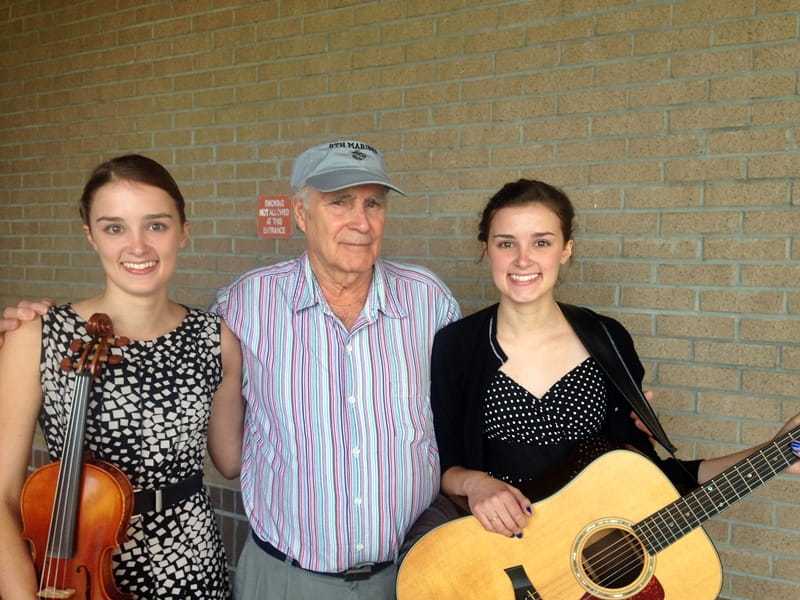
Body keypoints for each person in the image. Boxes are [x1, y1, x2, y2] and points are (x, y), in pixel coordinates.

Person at [430, 178, 800, 539]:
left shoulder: (607, 339)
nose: (523, 259)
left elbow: (647, 476)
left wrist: (775, 450)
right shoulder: (456, 345)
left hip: (593, 555)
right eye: (506, 243)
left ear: (566, 249)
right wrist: (475, 483)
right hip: (496, 557)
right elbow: (446, 467)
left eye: (541, 242)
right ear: (486, 248)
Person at [0, 154, 245, 599]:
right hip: (76, 566)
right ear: (90, 236)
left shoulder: (217, 337)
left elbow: (232, 459)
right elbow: (1, 495)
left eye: (156, 225)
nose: (137, 246)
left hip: (192, 564)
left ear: (183, 232)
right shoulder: (37, 335)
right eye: (115, 227)